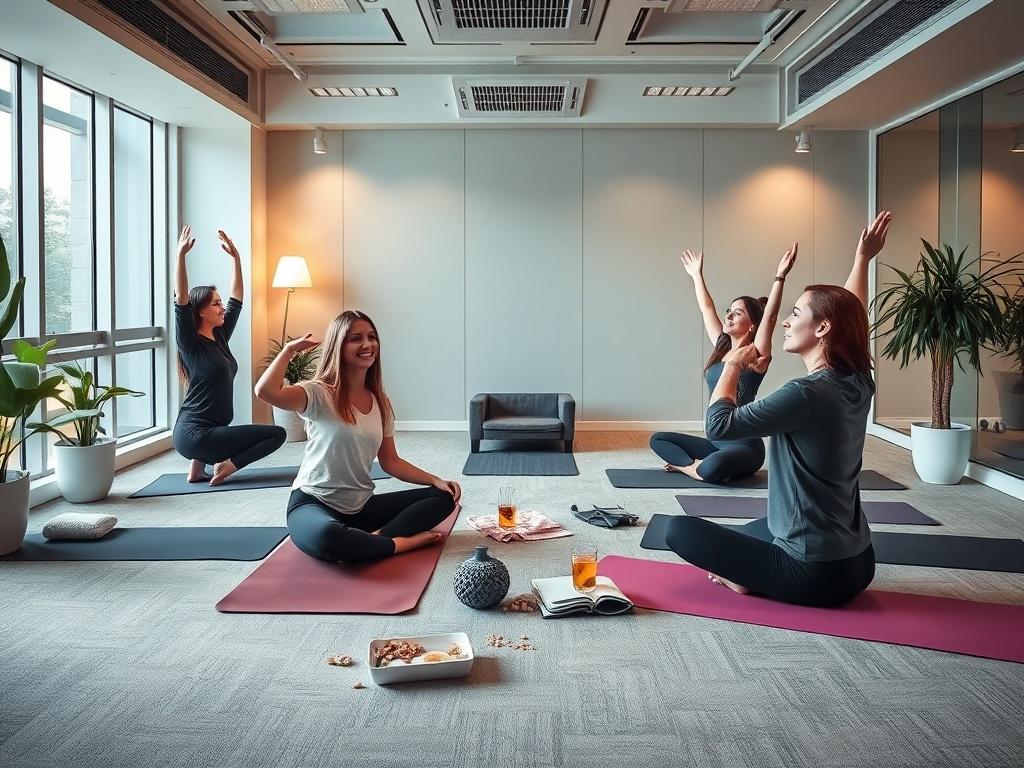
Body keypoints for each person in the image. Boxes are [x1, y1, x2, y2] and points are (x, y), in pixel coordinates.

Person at [664, 211, 892, 607]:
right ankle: (754, 570)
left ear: (822, 328)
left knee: (677, 530)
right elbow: (851, 312)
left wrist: (732, 364)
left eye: (796, 314)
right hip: (859, 562)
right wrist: (862, 260)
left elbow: (718, 426)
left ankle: (752, 579)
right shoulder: (857, 380)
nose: (786, 321)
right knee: (764, 524)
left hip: (814, 573)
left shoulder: (804, 393)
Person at [255, 310, 460, 564]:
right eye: (356, 338)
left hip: (360, 508)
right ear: (338, 345)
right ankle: (398, 544)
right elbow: (265, 391)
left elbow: (391, 462)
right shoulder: (318, 393)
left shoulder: (380, 401)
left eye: (372, 337)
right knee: (328, 536)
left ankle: (376, 539)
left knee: (444, 498)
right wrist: (289, 350)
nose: (367, 344)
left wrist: (436, 480)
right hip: (313, 503)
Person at [649, 243, 798, 483]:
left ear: (752, 325)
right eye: (729, 310)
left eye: (737, 313)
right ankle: (698, 467)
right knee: (658, 439)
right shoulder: (722, 348)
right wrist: (696, 275)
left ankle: (690, 468)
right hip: (716, 441)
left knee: (714, 466)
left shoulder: (755, 353)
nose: (728, 315)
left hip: (744, 445)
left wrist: (780, 276)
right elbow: (706, 308)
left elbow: (770, 317)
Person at [173, 225, 286, 485]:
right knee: (277, 434)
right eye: (216, 304)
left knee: (230, 433)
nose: (222, 307)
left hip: (205, 433)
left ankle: (196, 469)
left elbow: (237, 298)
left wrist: (236, 258)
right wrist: (180, 255)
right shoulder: (190, 343)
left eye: (221, 303)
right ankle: (228, 466)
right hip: (194, 434)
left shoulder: (220, 336)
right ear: (200, 311)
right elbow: (181, 298)